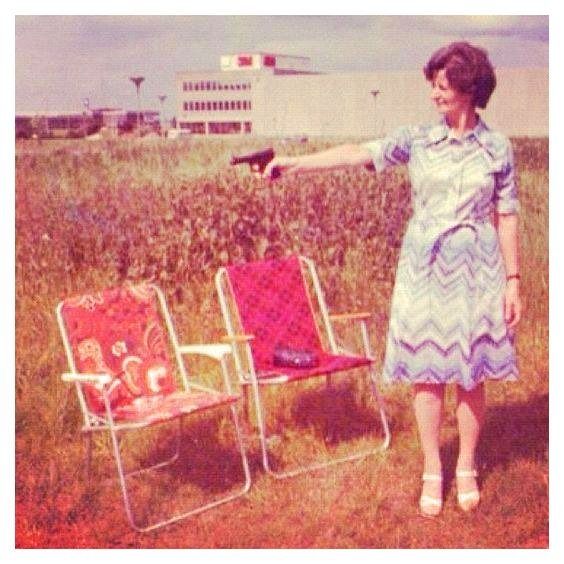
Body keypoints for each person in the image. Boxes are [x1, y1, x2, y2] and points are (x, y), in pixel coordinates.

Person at [263, 41, 522, 517]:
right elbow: (359, 152)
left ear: (468, 88)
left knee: (471, 374)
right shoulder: (418, 140)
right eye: (433, 85)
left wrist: (513, 280)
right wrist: (295, 164)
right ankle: (431, 468)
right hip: (425, 269)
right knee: (426, 371)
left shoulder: (497, 148)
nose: (434, 95)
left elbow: (506, 215)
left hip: (477, 270)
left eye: (442, 86)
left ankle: (465, 464)